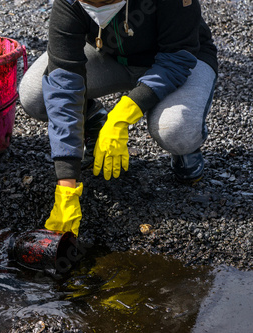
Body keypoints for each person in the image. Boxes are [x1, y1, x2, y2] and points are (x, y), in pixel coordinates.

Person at [18, 0, 218, 237]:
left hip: (178, 58)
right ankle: (93, 118)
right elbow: (63, 83)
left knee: (176, 130)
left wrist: (123, 115)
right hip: (110, 55)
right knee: (37, 95)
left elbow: (177, 57)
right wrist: (66, 187)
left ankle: (186, 149)